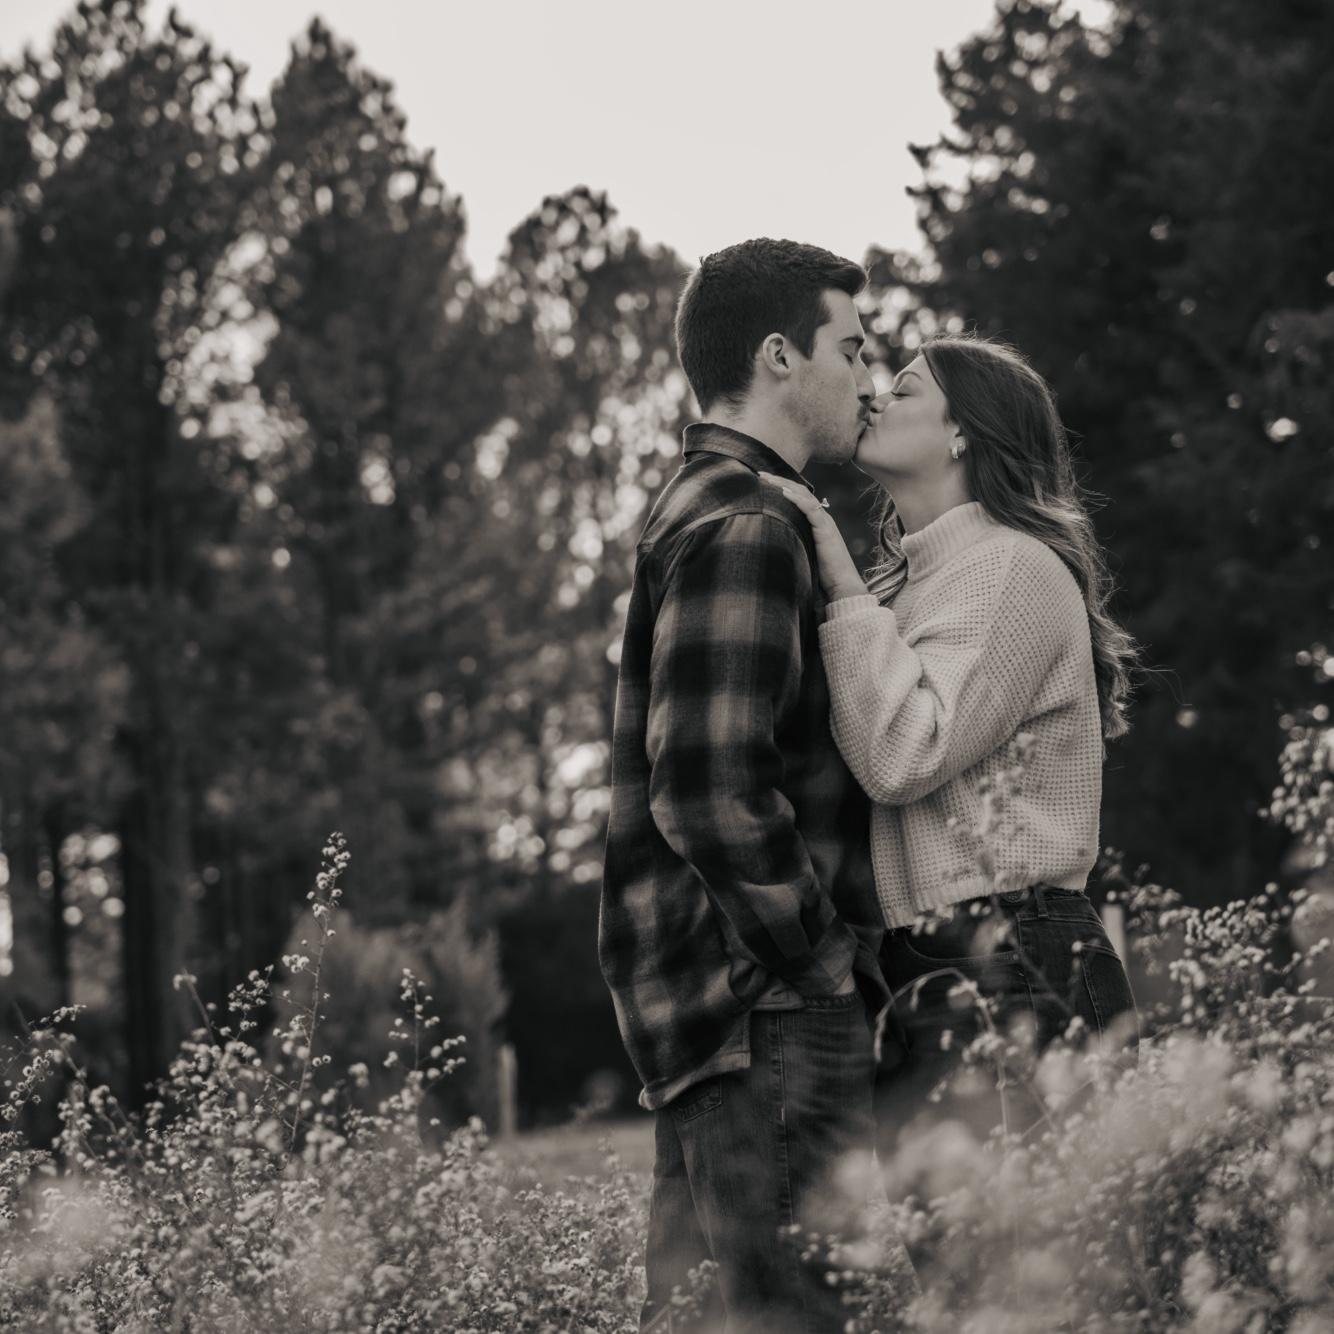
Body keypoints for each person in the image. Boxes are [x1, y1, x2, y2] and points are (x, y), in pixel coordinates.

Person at [599, 238, 894, 1334]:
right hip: (765, 1007)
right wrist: (824, 968)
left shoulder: (708, 504)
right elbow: (709, 791)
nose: (866, 378)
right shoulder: (746, 519)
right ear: (779, 355)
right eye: (850, 349)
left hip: (716, 1011)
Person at [759, 333, 1140, 1157]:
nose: (873, 396)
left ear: (963, 430)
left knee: (1034, 1235)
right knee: (952, 1236)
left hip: (1014, 954)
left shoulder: (1013, 568)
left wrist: (838, 576)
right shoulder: (910, 583)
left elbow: (903, 756)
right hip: (930, 957)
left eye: (904, 389)